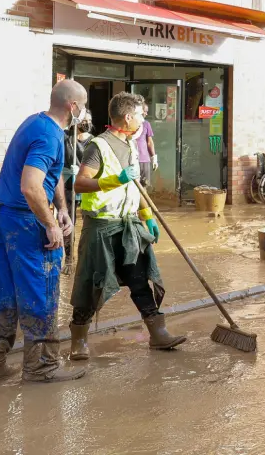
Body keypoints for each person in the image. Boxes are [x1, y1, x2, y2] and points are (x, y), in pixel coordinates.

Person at [0, 79, 89, 383]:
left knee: (2, 289)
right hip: (26, 221)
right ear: (73, 106)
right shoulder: (49, 136)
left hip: (3, 217)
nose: (85, 113)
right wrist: (51, 224)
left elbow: (52, 178)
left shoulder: (35, 123)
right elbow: (31, 186)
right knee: (40, 288)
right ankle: (42, 367)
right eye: (84, 106)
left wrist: (63, 209)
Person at [69, 92, 186, 360]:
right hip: (101, 226)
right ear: (128, 117)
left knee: (139, 277)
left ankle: (158, 334)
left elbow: (136, 188)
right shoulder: (98, 146)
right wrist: (115, 179)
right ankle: (79, 341)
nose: (144, 120)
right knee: (91, 283)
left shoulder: (131, 145)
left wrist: (147, 216)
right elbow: (80, 183)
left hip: (129, 225)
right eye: (142, 115)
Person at [133, 103, 157, 186]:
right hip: (132, 160)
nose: (146, 114)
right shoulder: (130, 123)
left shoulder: (146, 124)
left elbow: (150, 142)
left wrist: (154, 157)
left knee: (144, 186)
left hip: (144, 159)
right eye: (145, 111)